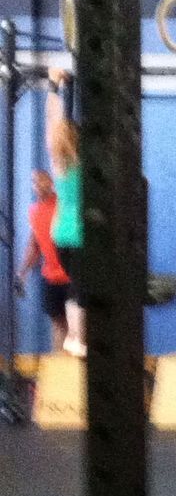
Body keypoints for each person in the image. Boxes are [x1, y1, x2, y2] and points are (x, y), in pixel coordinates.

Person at [42, 71, 84, 356]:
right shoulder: (82, 164)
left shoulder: (60, 165)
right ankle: (76, 338)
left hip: (62, 233)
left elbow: (52, 124)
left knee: (79, 287)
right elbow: (59, 128)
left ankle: (77, 337)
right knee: (81, 288)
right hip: (79, 233)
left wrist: (54, 87)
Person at [14, 165, 71, 354]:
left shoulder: (62, 205)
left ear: (51, 183)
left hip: (71, 276)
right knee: (57, 323)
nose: (37, 184)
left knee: (75, 325)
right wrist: (22, 272)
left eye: (41, 180)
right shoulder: (34, 212)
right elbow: (34, 244)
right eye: (34, 182)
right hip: (51, 276)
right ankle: (59, 365)